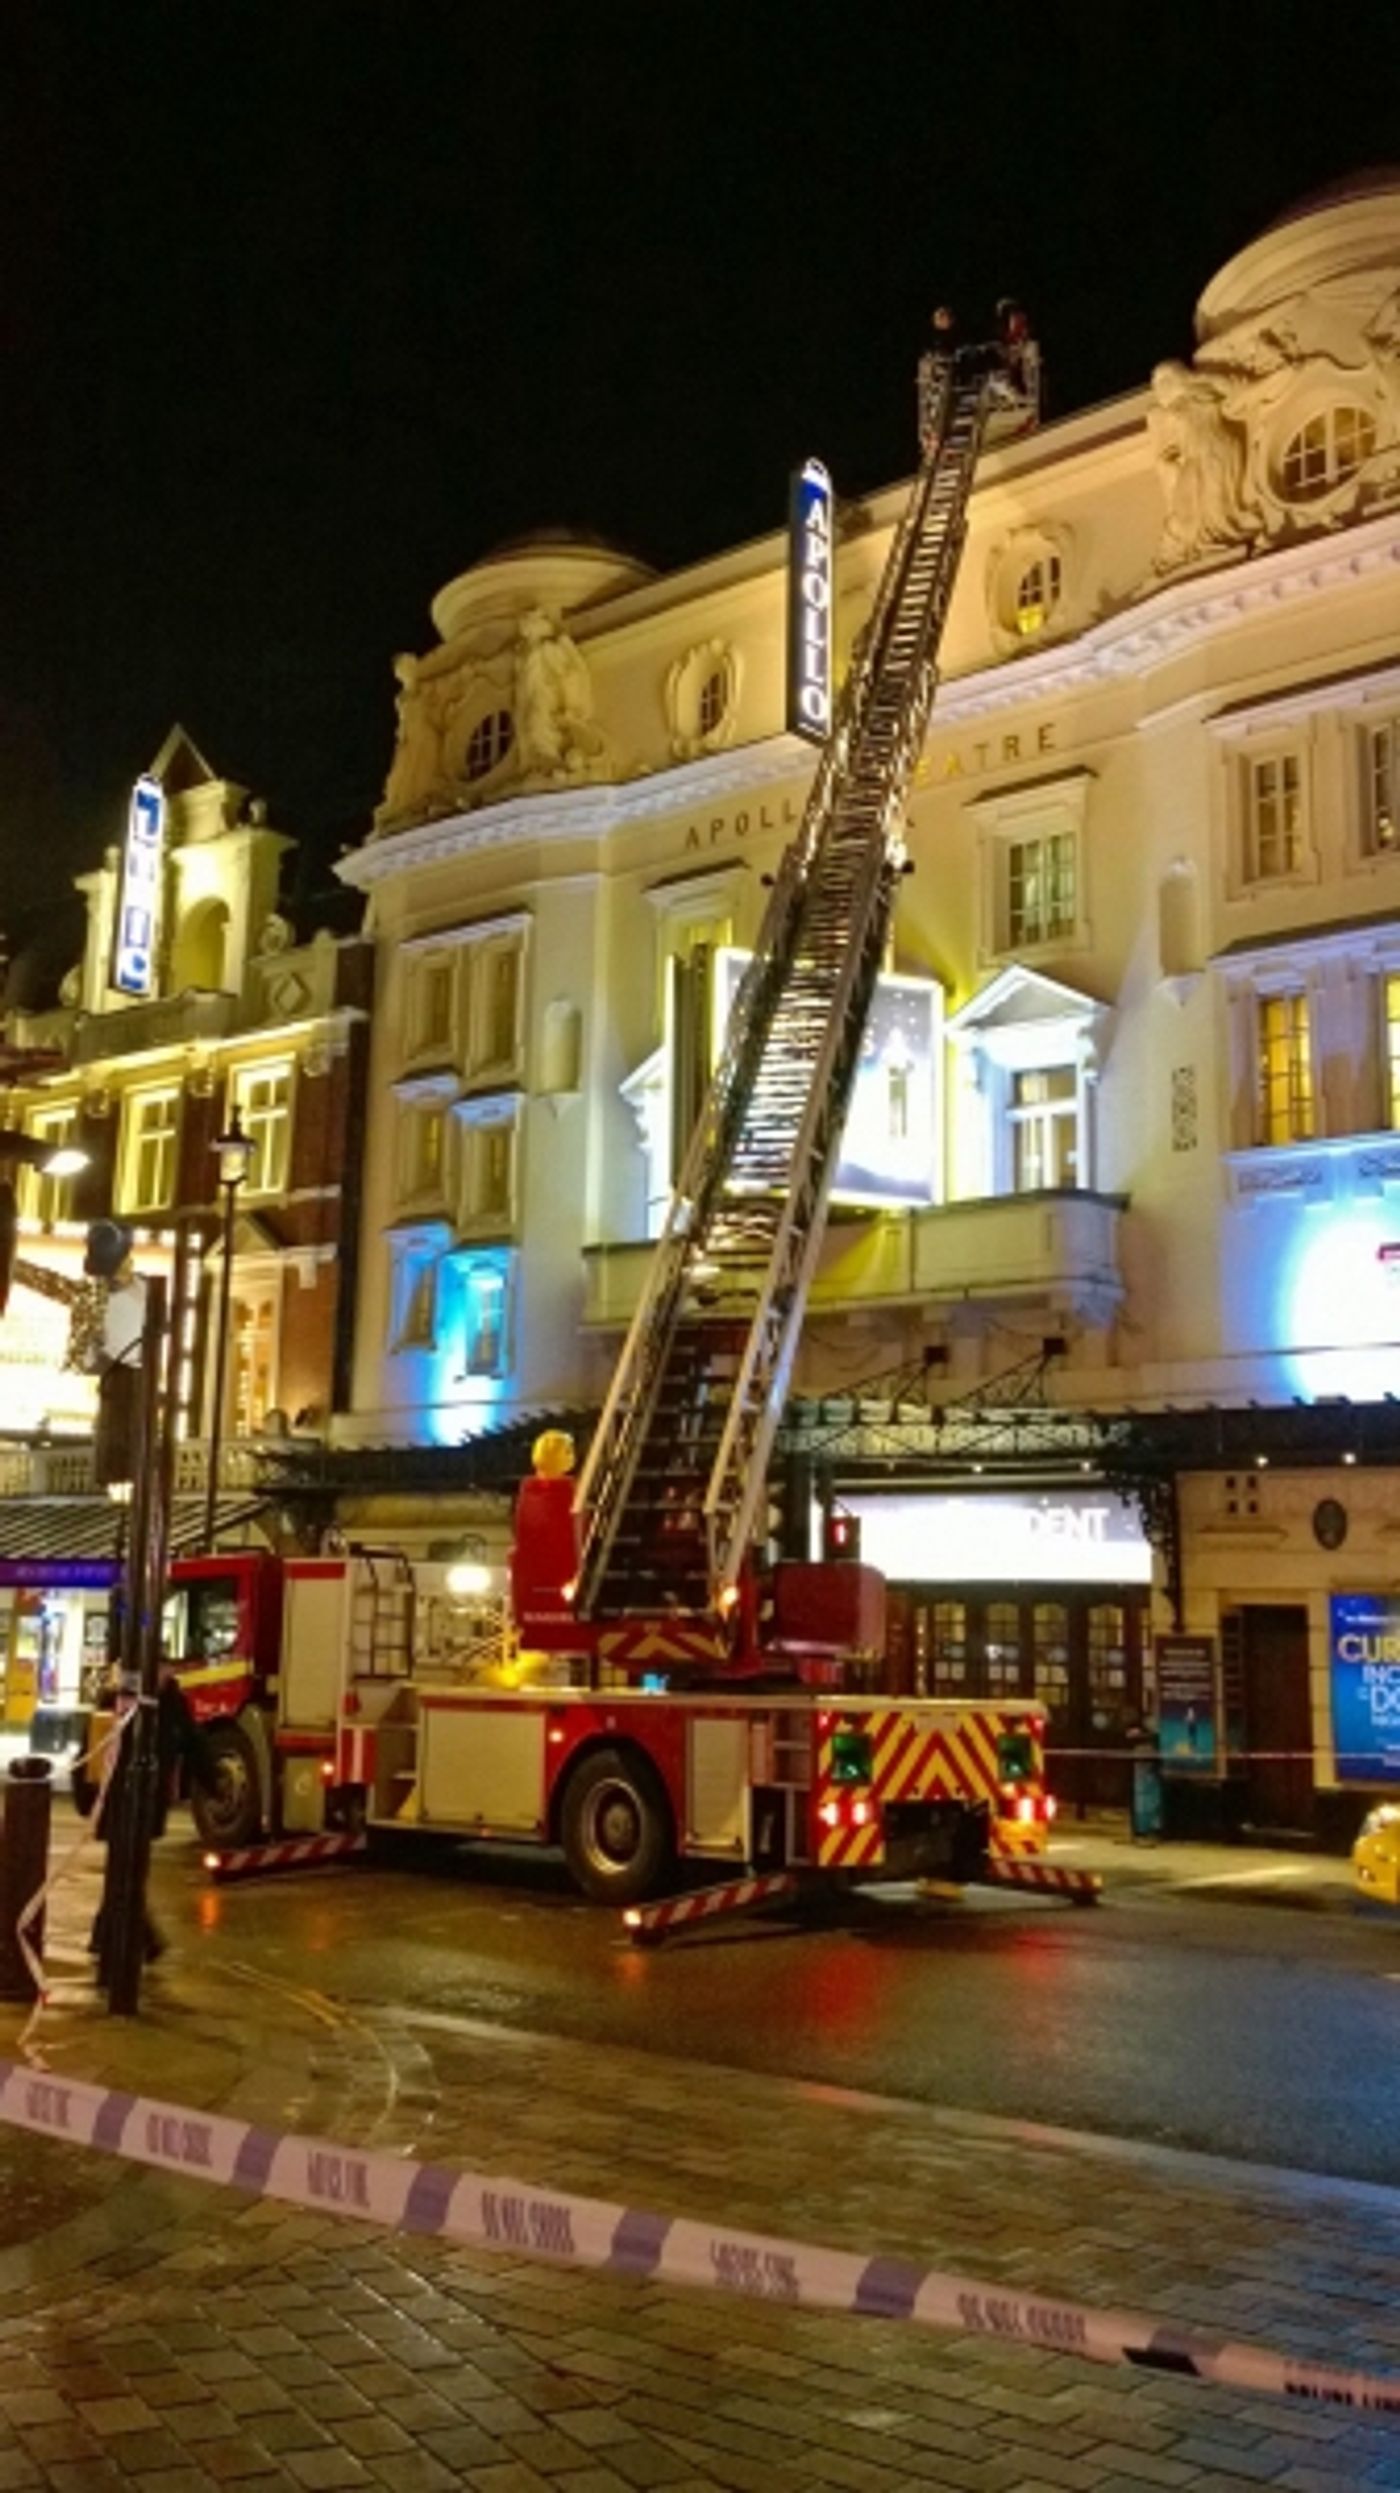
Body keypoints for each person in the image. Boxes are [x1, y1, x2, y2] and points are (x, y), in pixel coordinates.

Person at [89, 1669, 217, 1966]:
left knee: (126, 1868)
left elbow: (191, 1741)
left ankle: (109, 1935)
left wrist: (211, 1779)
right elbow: (96, 1742)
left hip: (141, 1799)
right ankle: (135, 1938)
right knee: (126, 1869)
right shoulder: (128, 1695)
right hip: (125, 1798)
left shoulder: (159, 1698)